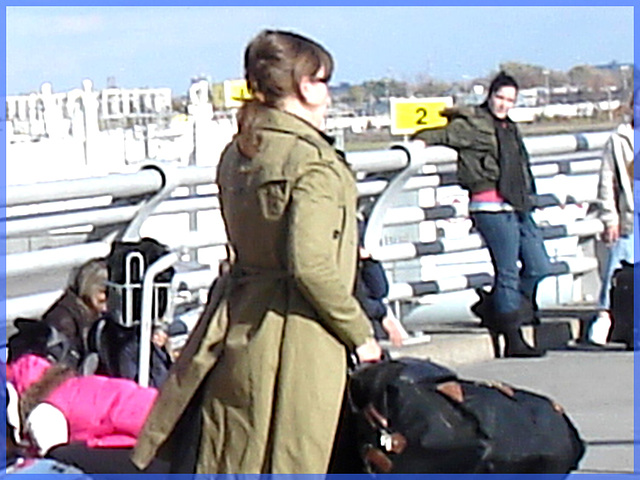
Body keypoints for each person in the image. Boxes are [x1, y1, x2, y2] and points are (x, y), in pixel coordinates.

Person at [132, 30, 382, 474]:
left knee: (235, 449)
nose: (326, 96)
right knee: (295, 452)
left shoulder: (239, 151)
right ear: (304, 84)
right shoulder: (313, 162)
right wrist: (360, 334)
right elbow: (312, 265)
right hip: (300, 333)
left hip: (239, 317)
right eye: (322, 82)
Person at [412, 71, 552, 358]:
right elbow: (438, 133)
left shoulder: (509, 127)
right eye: (499, 97)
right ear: (489, 95)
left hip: (518, 204)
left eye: (509, 100)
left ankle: (499, 308)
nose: (503, 104)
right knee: (507, 271)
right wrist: (418, 144)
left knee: (539, 265)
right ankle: (512, 335)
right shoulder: (474, 125)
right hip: (489, 204)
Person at [588, 95, 635, 345]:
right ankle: (604, 314)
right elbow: (606, 182)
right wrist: (609, 218)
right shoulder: (618, 141)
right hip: (629, 215)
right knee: (618, 263)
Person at [42, 258, 108, 360]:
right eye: (103, 292)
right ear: (89, 287)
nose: (108, 298)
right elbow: (63, 365)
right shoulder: (63, 320)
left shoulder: (95, 313)